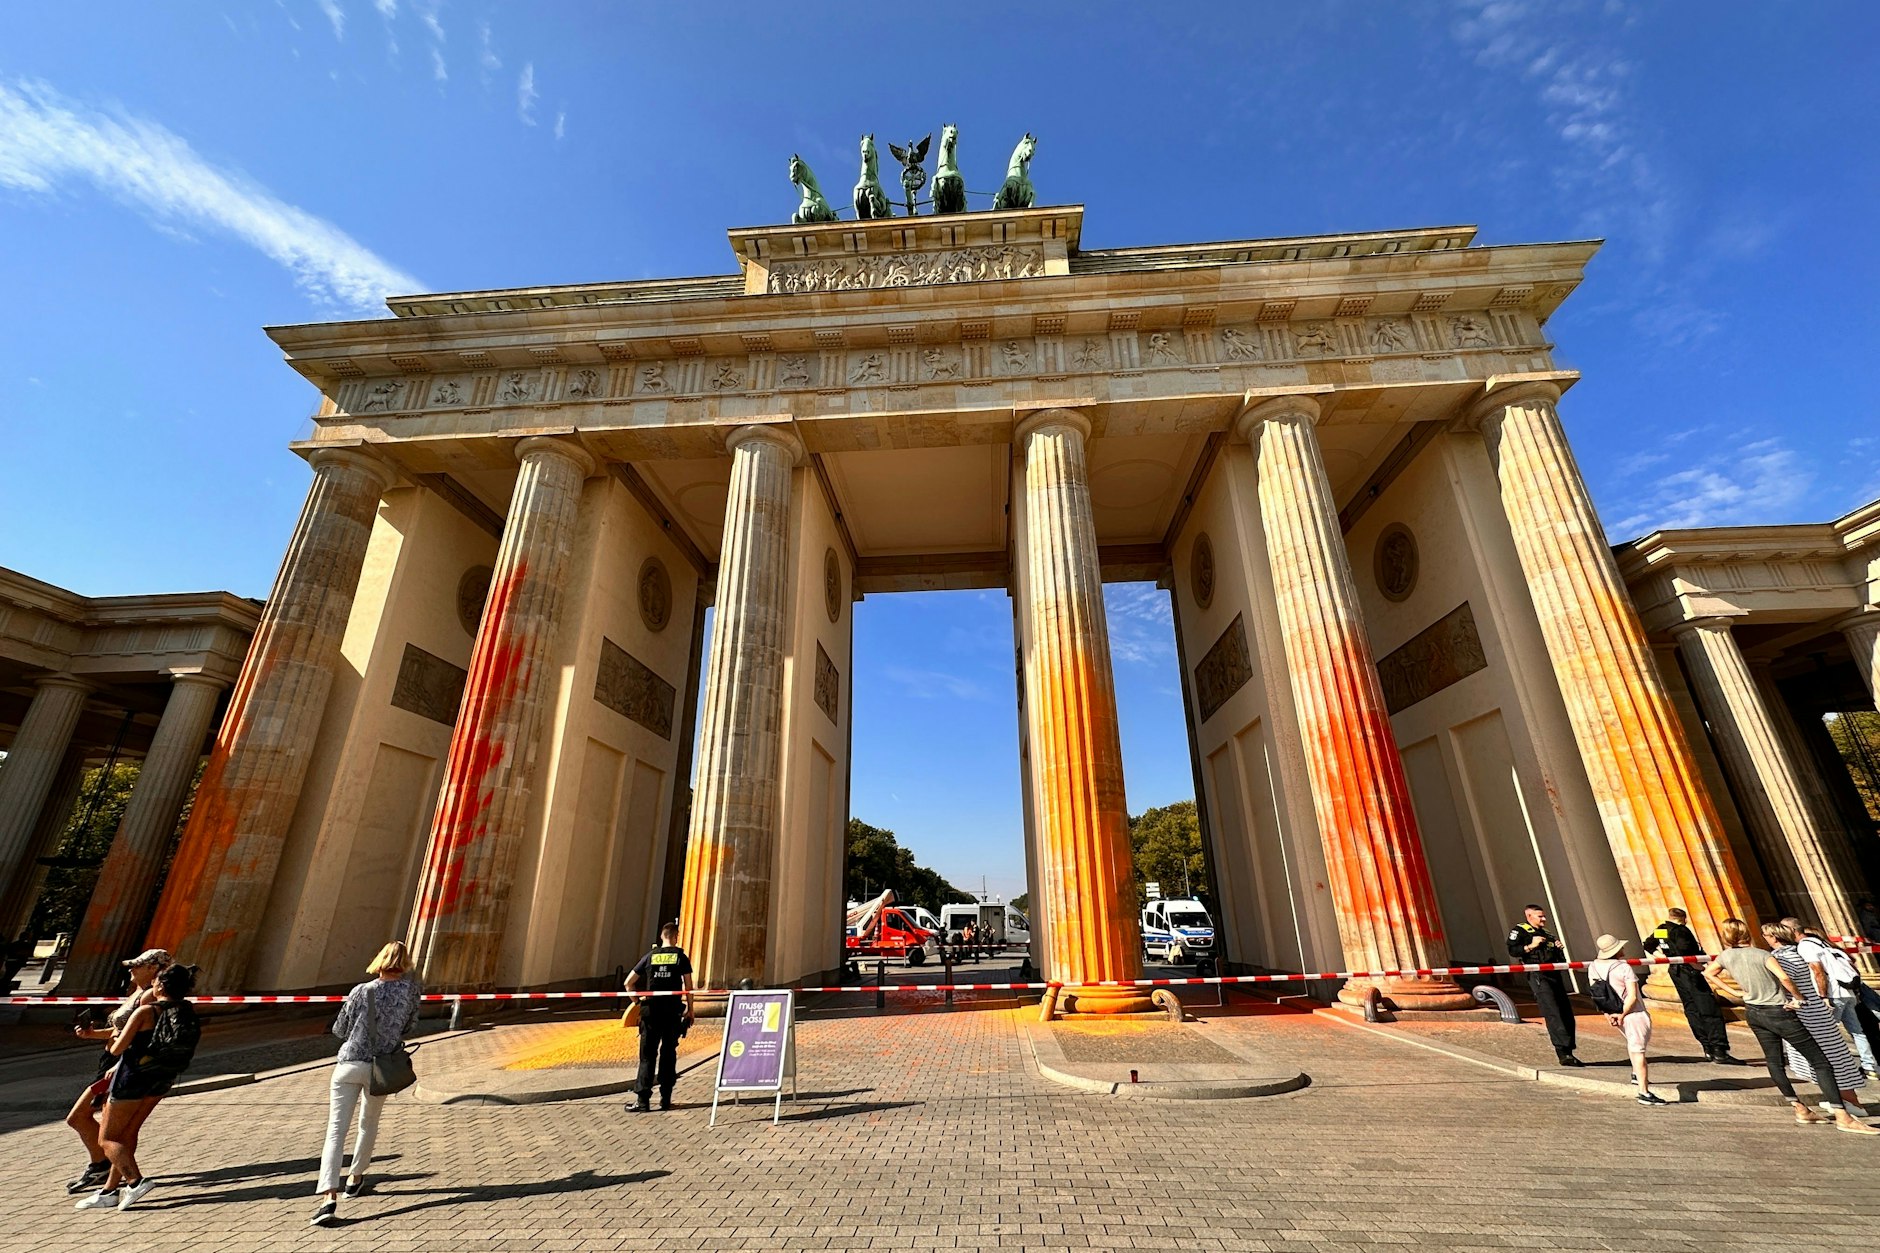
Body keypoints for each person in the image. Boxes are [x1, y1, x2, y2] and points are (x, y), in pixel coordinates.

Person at [1704, 918, 1874, 1134]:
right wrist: (1800, 997)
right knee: (1823, 1060)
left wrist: (1737, 993)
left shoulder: (1726, 956)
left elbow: (1708, 973)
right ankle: (1843, 1113)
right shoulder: (1767, 955)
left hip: (1754, 1011)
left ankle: (1800, 1108)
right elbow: (1785, 978)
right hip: (1783, 1011)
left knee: (1774, 1061)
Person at [76, 963, 202, 1211]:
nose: (152, 985)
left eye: (155, 982)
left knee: (108, 1138)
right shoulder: (184, 1009)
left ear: (161, 985)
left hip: (132, 1079)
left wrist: (109, 1038)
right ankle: (109, 1192)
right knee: (127, 1134)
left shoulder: (145, 1012)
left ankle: (135, 1182)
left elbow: (117, 1049)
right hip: (161, 1078)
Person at [311, 941, 420, 1228]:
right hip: (381, 1067)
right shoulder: (410, 991)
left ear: (379, 960)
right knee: (368, 1123)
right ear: (405, 962)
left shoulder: (362, 990)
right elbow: (409, 1025)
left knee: (336, 1129)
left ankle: (328, 1197)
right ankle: (356, 1178)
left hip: (349, 1064)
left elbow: (340, 1029)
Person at [63, 948, 170, 1196]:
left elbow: (143, 1036)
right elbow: (120, 1031)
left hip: (123, 1064)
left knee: (81, 1118)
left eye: (137, 965)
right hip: (114, 1061)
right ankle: (106, 1171)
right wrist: (92, 1034)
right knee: (104, 1125)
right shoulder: (137, 992)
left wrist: (120, 1062)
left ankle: (113, 1173)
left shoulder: (150, 998)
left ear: (153, 968)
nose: (131, 969)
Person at [1766, 921, 1870, 1120]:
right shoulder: (1809, 946)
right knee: (1833, 1050)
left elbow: (1811, 971)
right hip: (1816, 1005)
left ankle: (1848, 1101)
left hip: (1809, 1009)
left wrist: (1816, 997)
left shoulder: (1791, 953)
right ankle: (1843, 1098)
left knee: (1827, 1053)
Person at [1642, 907, 1740, 1064]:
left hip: (1675, 971)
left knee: (1691, 1008)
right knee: (1708, 1008)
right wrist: (1700, 967)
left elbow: (1649, 944)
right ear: (1683, 918)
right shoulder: (1681, 931)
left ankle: (1707, 1047)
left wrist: (1664, 958)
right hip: (1689, 971)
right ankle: (1719, 1050)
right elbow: (1686, 951)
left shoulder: (1663, 929)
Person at [1788, 918, 1877, 1079]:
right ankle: (1869, 1066)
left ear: (1793, 931)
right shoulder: (1822, 943)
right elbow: (1851, 961)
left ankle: (1835, 1068)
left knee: (1826, 1031)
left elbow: (1817, 970)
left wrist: (1823, 996)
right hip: (1848, 991)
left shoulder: (1805, 945)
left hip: (1833, 993)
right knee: (1857, 1031)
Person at [1587, 934, 1667, 1105]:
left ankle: (1636, 1075)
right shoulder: (1624, 967)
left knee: (1633, 1045)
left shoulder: (1593, 966)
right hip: (1633, 1013)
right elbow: (1632, 996)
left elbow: (1598, 995)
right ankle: (1643, 1092)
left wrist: (1609, 1014)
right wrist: (1623, 1014)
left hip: (1613, 1011)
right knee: (1639, 1051)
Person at [625, 921, 694, 1112]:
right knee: (668, 1053)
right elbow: (688, 986)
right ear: (675, 936)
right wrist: (691, 1009)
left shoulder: (649, 957)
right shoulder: (681, 957)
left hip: (651, 1012)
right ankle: (665, 1098)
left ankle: (643, 1100)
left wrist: (637, 1002)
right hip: (672, 1012)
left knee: (647, 1056)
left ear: (662, 936)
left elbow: (628, 983)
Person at [1508, 904, 1582, 1066]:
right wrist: (1530, 946)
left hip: (1554, 974)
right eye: (1540, 916)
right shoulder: (1520, 931)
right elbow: (1513, 950)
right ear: (1529, 916)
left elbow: (1558, 958)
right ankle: (1563, 1052)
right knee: (1552, 1011)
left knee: (1565, 1011)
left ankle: (1569, 1048)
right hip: (1538, 975)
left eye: (1544, 916)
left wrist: (1559, 949)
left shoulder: (1547, 934)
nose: (1544, 919)